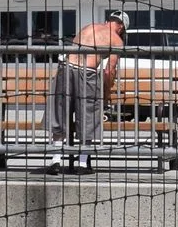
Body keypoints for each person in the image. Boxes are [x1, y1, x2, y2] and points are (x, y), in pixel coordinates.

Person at [48, 11, 125, 173]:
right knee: (87, 115)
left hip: (65, 68)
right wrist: (105, 93)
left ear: (107, 21)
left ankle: (55, 160)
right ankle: (83, 164)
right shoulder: (117, 40)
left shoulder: (88, 27)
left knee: (61, 113)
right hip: (87, 72)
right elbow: (109, 71)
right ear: (121, 27)